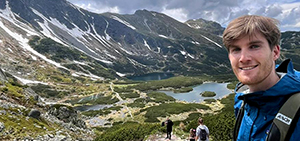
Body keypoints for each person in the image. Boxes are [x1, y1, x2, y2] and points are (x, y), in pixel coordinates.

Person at [222, 15, 300, 141]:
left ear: (275, 52)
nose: (243, 58)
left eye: (254, 46)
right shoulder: (241, 99)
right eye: (236, 49)